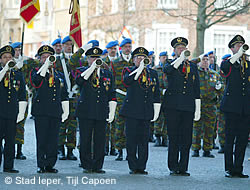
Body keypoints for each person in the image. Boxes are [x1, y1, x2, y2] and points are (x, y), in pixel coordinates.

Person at [75, 47, 117, 173]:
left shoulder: (107, 73)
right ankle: (86, 164)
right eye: (92, 58)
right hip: (86, 110)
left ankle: (98, 165)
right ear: (87, 59)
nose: (95, 60)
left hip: (101, 110)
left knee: (100, 139)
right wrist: (92, 68)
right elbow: (79, 82)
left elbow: (111, 92)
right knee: (85, 138)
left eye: (97, 58)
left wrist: (112, 110)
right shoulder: (81, 71)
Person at [163, 37, 200, 176]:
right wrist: (180, 59)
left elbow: (197, 88)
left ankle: (183, 166)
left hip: (188, 106)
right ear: (174, 51)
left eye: (183, 48)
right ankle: (173, 166)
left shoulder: (193, 66)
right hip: (172, 106)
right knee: (174, 137)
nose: (182, 50)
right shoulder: (170, 63)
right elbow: (168, 71)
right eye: (179, 48)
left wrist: (198, 107)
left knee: (186, 138)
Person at [120, 47, 160, 174]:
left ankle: (142, 166)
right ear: (133, 60)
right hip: (132, 111)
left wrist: (156, 109)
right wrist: (139, 69)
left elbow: (156, 93)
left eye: (144, 58)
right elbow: (127, 82)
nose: (142, 60)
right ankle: (132, 165)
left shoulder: (152, 73)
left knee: (143, 140)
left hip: (145, 110)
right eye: (139, 58)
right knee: (131, 139)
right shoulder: (128, 70)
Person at [30, 45, 69, 173]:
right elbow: (36, 82)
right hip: (41, 111)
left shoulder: (58, 74)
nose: (47, 59)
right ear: (40, 59)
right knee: (42, 139)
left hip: (55, 111)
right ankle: (41, 164)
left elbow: (63, 93)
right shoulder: (36, 71)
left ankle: (50, 164)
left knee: (53, 139)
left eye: (49, 57)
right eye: (44, 57)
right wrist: (45, 66)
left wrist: (65, 109)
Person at [220, 35, 250, 178]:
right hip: (231, 107)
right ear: (232, 48)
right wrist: (238, 54)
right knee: (230, 138)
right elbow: (225, 69)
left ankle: (238, 168)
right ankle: (229, 168)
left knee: (242, 139)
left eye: (242, 45)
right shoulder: (228, 63)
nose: (241, 48)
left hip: (245, 108)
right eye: (237, 46)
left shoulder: (248, 64)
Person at [0, 45, 27, 173]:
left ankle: (8, 166)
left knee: (10, 141)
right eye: (5, 57)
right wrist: (5, 69)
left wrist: (21, 112)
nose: (7, 59)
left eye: (10, 57)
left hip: (12, 112)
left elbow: (22, 93)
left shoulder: (17, 74)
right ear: (0, 60)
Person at [191, 54, 224, 158]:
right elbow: (191, 63)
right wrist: (198, 58)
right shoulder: (195, 73)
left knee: (209, 129)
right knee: (196, 127)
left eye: (207, 59)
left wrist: (220, 89)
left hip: (211, 104)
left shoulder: (214, 74)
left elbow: (221, 88)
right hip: (198, 104)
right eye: (203, 60)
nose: (205, 61)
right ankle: (195, 149)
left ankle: (207, 149)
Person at [55, 35, 78, 161]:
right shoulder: (58, 60)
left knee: (73, 125)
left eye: (71, 45)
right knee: (62, 123)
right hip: (62, 96)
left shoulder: (79, 60)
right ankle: (60, 149)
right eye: (66, 45)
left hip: (74, 97)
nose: (69, 47)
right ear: (62, 46)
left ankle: (70, 149)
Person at [111, 38, 134, 161]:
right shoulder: (115, 63)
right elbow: (112, 79)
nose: (127, 49)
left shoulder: (135, 61)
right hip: (120, 94)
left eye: (129, 47)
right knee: (119, 123)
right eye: (125, 47)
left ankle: (130, 150)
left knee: (131, 124)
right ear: (121, 48)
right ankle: (119, 149)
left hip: (133, 95)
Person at [10, 42, 28, 160]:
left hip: (23, 95)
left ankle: (19, 150)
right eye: (16, 50)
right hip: (10, 95)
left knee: (20, 124)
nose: (18, 52)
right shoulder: (8, 63)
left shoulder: (26, 62)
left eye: (19, 49)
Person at [103, 40, 119, 155]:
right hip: (105, 95)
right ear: (107, 50)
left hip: (118, 95)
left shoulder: (120, 62)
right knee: (105, 122)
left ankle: (114, 147)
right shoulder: (103, 62)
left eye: (115, 48)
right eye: (111, 49)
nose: (113, 50)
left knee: (115, 123)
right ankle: (104, 146)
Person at [153, 52, 169, 147]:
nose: (165, 59)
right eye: (163, 57)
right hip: (158, 96)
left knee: (167, 118)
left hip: (167, 98)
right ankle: (157, 137)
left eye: (166, 57)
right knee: (158, 118)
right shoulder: (155, 70)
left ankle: (165, 138)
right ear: (159, 58)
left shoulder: (169, 69)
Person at [217, 54, 231, 154]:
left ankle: (228, 145)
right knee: (221, 126)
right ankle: (222, 144)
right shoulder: (219, 74)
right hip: (221, 102)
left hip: (230, 102)